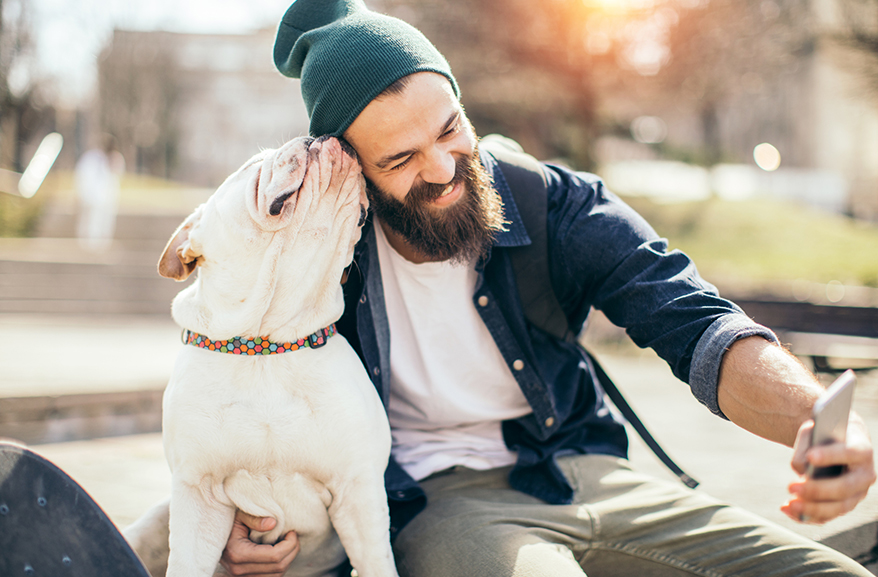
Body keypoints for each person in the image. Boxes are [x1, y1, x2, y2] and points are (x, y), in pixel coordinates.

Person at [126, 1, 876, 575]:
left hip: (585, 468)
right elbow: (242, 394)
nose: (446, 168)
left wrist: (813, 418)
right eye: (402, 159)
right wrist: (246, 528)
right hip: (439, 502)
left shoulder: (551, 202)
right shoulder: (323, 262)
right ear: (351, 170)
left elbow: (695, 322)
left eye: (451, 128)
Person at [74, 134, 125, 251]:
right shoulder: (92, 157)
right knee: (90, 221)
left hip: (108, 197)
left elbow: (117, 174)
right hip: (92, 196)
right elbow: (83, 175)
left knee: (105, 221)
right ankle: (88, 245)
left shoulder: (115, 158)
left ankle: (102, 245)